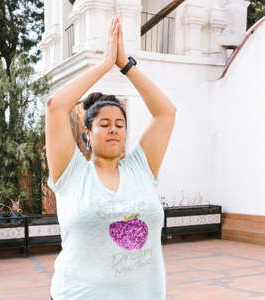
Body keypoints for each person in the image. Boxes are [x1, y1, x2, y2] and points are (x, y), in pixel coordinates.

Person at [45, 16, 176, 300]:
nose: (114, 128)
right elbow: (56, 106)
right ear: (87, 134)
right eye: (104, 124)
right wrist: (105, 64)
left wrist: (125, 65)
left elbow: (166, 113)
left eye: (120, 123)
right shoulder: (71, 173)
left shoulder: (141, 167)